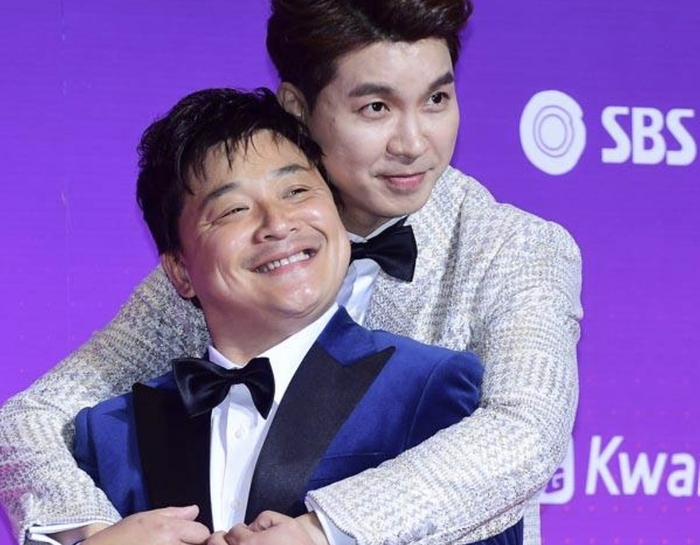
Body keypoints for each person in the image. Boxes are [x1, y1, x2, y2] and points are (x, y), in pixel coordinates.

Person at [0, 1, 583, 544]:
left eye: (436, 99)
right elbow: (31, 419)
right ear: (297, 108)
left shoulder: (515, 248)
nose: (414, 143)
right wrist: (91, 533)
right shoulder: (228, 258)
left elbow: (524, 432)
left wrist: (324, 529)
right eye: (376, 108)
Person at [69, 86, 521, 545]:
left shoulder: (428, 386)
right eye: (234, 209)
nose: (277, 223)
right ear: (180, 271)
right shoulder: (111, 435)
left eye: (297, 191)